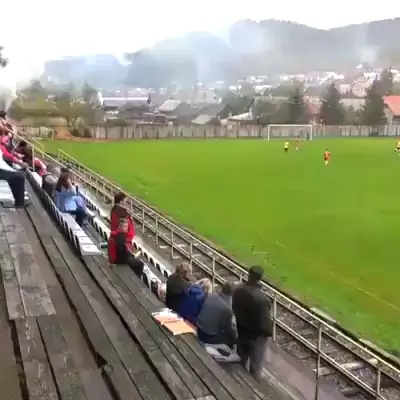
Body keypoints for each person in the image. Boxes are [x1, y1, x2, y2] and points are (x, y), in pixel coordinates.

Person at [232, 266, 272, 381]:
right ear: (260, 278)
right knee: (255, 368)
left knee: (240, 360)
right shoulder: (261, 299)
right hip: (256, 337)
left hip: (242, 331)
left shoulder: (238, 290)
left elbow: (235, 308)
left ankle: (237, 381)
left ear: (249, 274)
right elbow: (264, 324)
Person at [197, 281, 236, 348]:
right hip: (208, 336)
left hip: (199, 329)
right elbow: (228, 329)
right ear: (232, 294)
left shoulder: (212, 295)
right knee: (232, 336)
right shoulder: (226, 309)